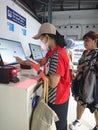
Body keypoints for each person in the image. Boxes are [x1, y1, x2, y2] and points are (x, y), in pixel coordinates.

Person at [15, 23, 71, 130]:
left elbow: (52, 83)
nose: (41, 42)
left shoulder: (58, 55)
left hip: (58, 98)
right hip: (59, 95)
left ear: (47, 37)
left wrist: (36, 69)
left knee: (57, 125)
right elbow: (41, 62)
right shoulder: (52, 52)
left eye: (41, 39)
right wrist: (25, 62)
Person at [69, 31, 98, 130]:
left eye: (87, 40)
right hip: (81, 81)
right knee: (80, 101)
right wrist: (79, 69)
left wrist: (88, 67)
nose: (85, 43)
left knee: (95, 105)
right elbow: (81, 65)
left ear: (95, 41)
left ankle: (97, 126)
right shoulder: (85, 52)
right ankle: (78, 120)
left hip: (93, 84)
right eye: (84, 40)